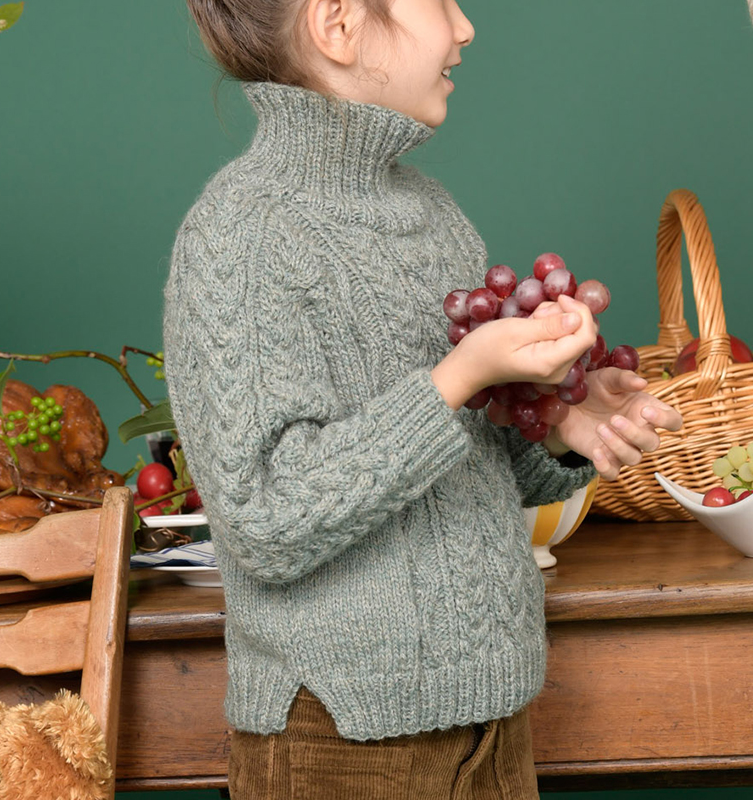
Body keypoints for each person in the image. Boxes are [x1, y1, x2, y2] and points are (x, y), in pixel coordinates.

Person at [162, 1, 683, 797]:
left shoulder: (431, 213)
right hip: (339, 736)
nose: (465, 26)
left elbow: (468, 468)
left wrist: (557, 423)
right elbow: (262, 518)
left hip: (494, 714)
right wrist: (455, 379)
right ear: (337, 25)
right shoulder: (239, 234)